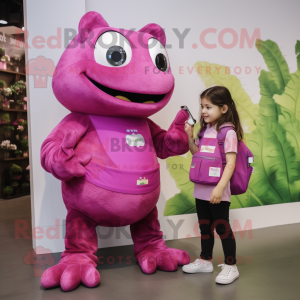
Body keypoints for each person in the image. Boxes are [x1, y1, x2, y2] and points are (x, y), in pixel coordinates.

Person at [183, 85, 243, 284]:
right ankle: (205, 260)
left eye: (208, 107)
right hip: (201, 189)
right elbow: (197, 154)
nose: (203, 111)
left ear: (224, 109)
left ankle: (231, 266)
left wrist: (219, 188)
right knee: (204, 227)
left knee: (222, 228)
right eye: (202, 107)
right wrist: (190, 137)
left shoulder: (228, 133)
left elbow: (231, 164)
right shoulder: (205, 130)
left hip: (217, 190)